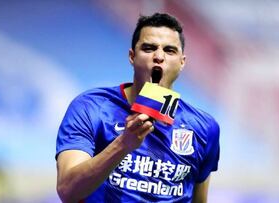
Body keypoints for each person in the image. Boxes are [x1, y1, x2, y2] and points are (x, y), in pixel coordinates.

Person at [56, 12, 220, 203]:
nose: (159, 56)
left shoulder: (205, 127)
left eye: (169, 50)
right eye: (149, 48)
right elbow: (67, 190)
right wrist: (123, 144)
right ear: (132, 56)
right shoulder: (90, 107)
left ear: (182, 62)